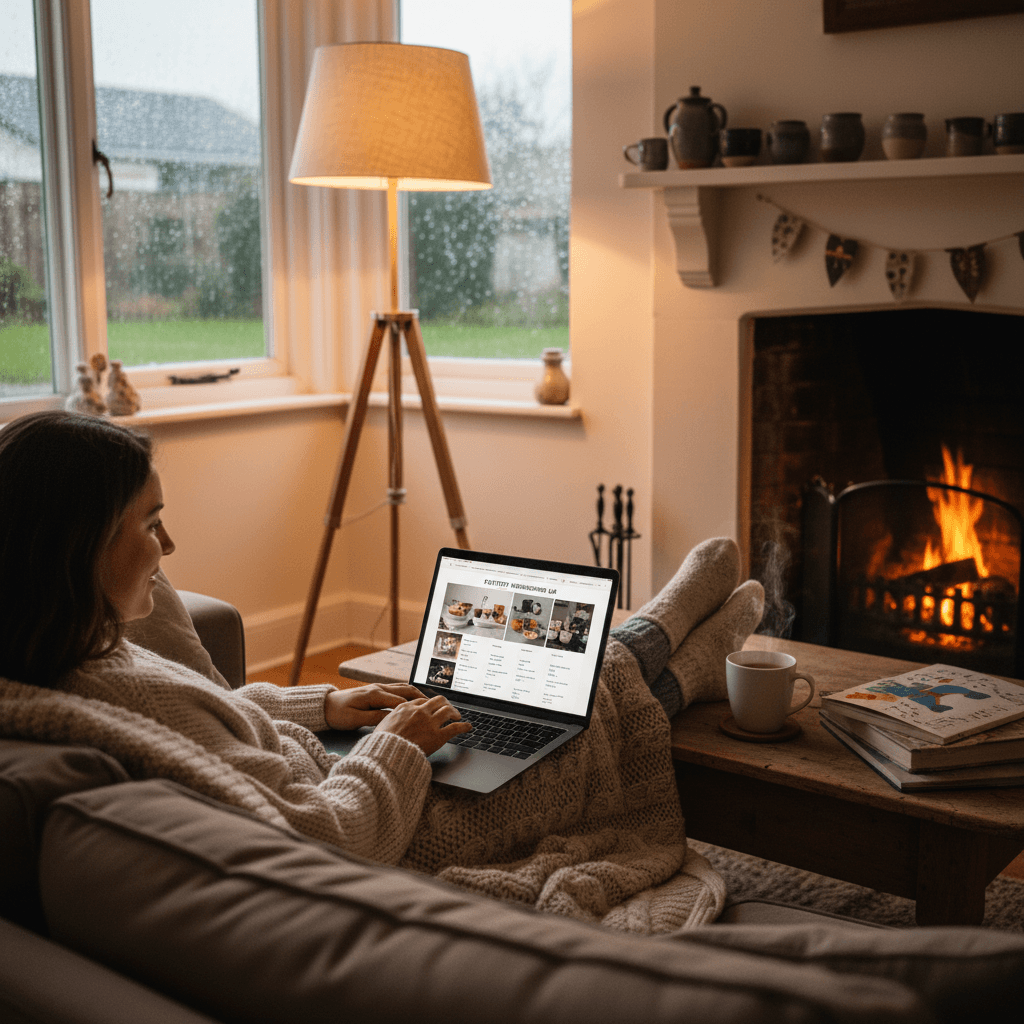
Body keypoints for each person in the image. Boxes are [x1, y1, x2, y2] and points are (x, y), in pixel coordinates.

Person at [0, 410, 764, 933]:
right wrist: (398, 741)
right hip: (398, 818)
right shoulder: (105, 685)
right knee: (573, 699)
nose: (169, 548)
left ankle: (670, 649)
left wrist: (326, 708)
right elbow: (328, 840)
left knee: (528, 691)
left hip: (342, 765)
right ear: (80, 545)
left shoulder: (66, 656)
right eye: (149, 523)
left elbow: (219, 710)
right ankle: (669, 645)